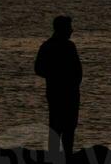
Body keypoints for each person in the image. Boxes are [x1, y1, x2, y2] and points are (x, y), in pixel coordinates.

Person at [34, 16, 82, 154]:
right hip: (61, 93)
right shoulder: (59, 46)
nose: (72, 30)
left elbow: (78, 71)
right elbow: (38, 69)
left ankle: (62, 157)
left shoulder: (57, 46)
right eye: (69, 27)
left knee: (64, 126)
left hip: (64, 92)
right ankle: (61, 157)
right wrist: (57, 75)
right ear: (63, 29)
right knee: (60, 127)